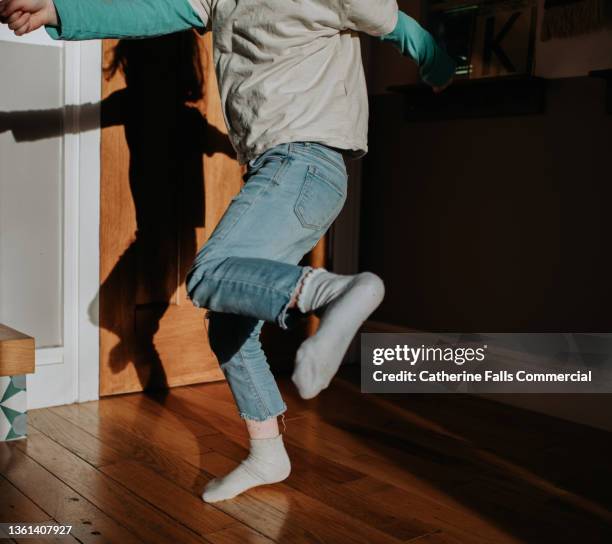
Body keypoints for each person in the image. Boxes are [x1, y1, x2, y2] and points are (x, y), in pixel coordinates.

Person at [0, 0, 455, 502]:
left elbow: (402, 29)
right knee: (229, 324)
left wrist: (440, 69)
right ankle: (267, 452)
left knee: (208, 273)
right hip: (282, 170)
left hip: (305, 164)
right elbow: (146, 12)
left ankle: (333, 293)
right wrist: (57, 11)